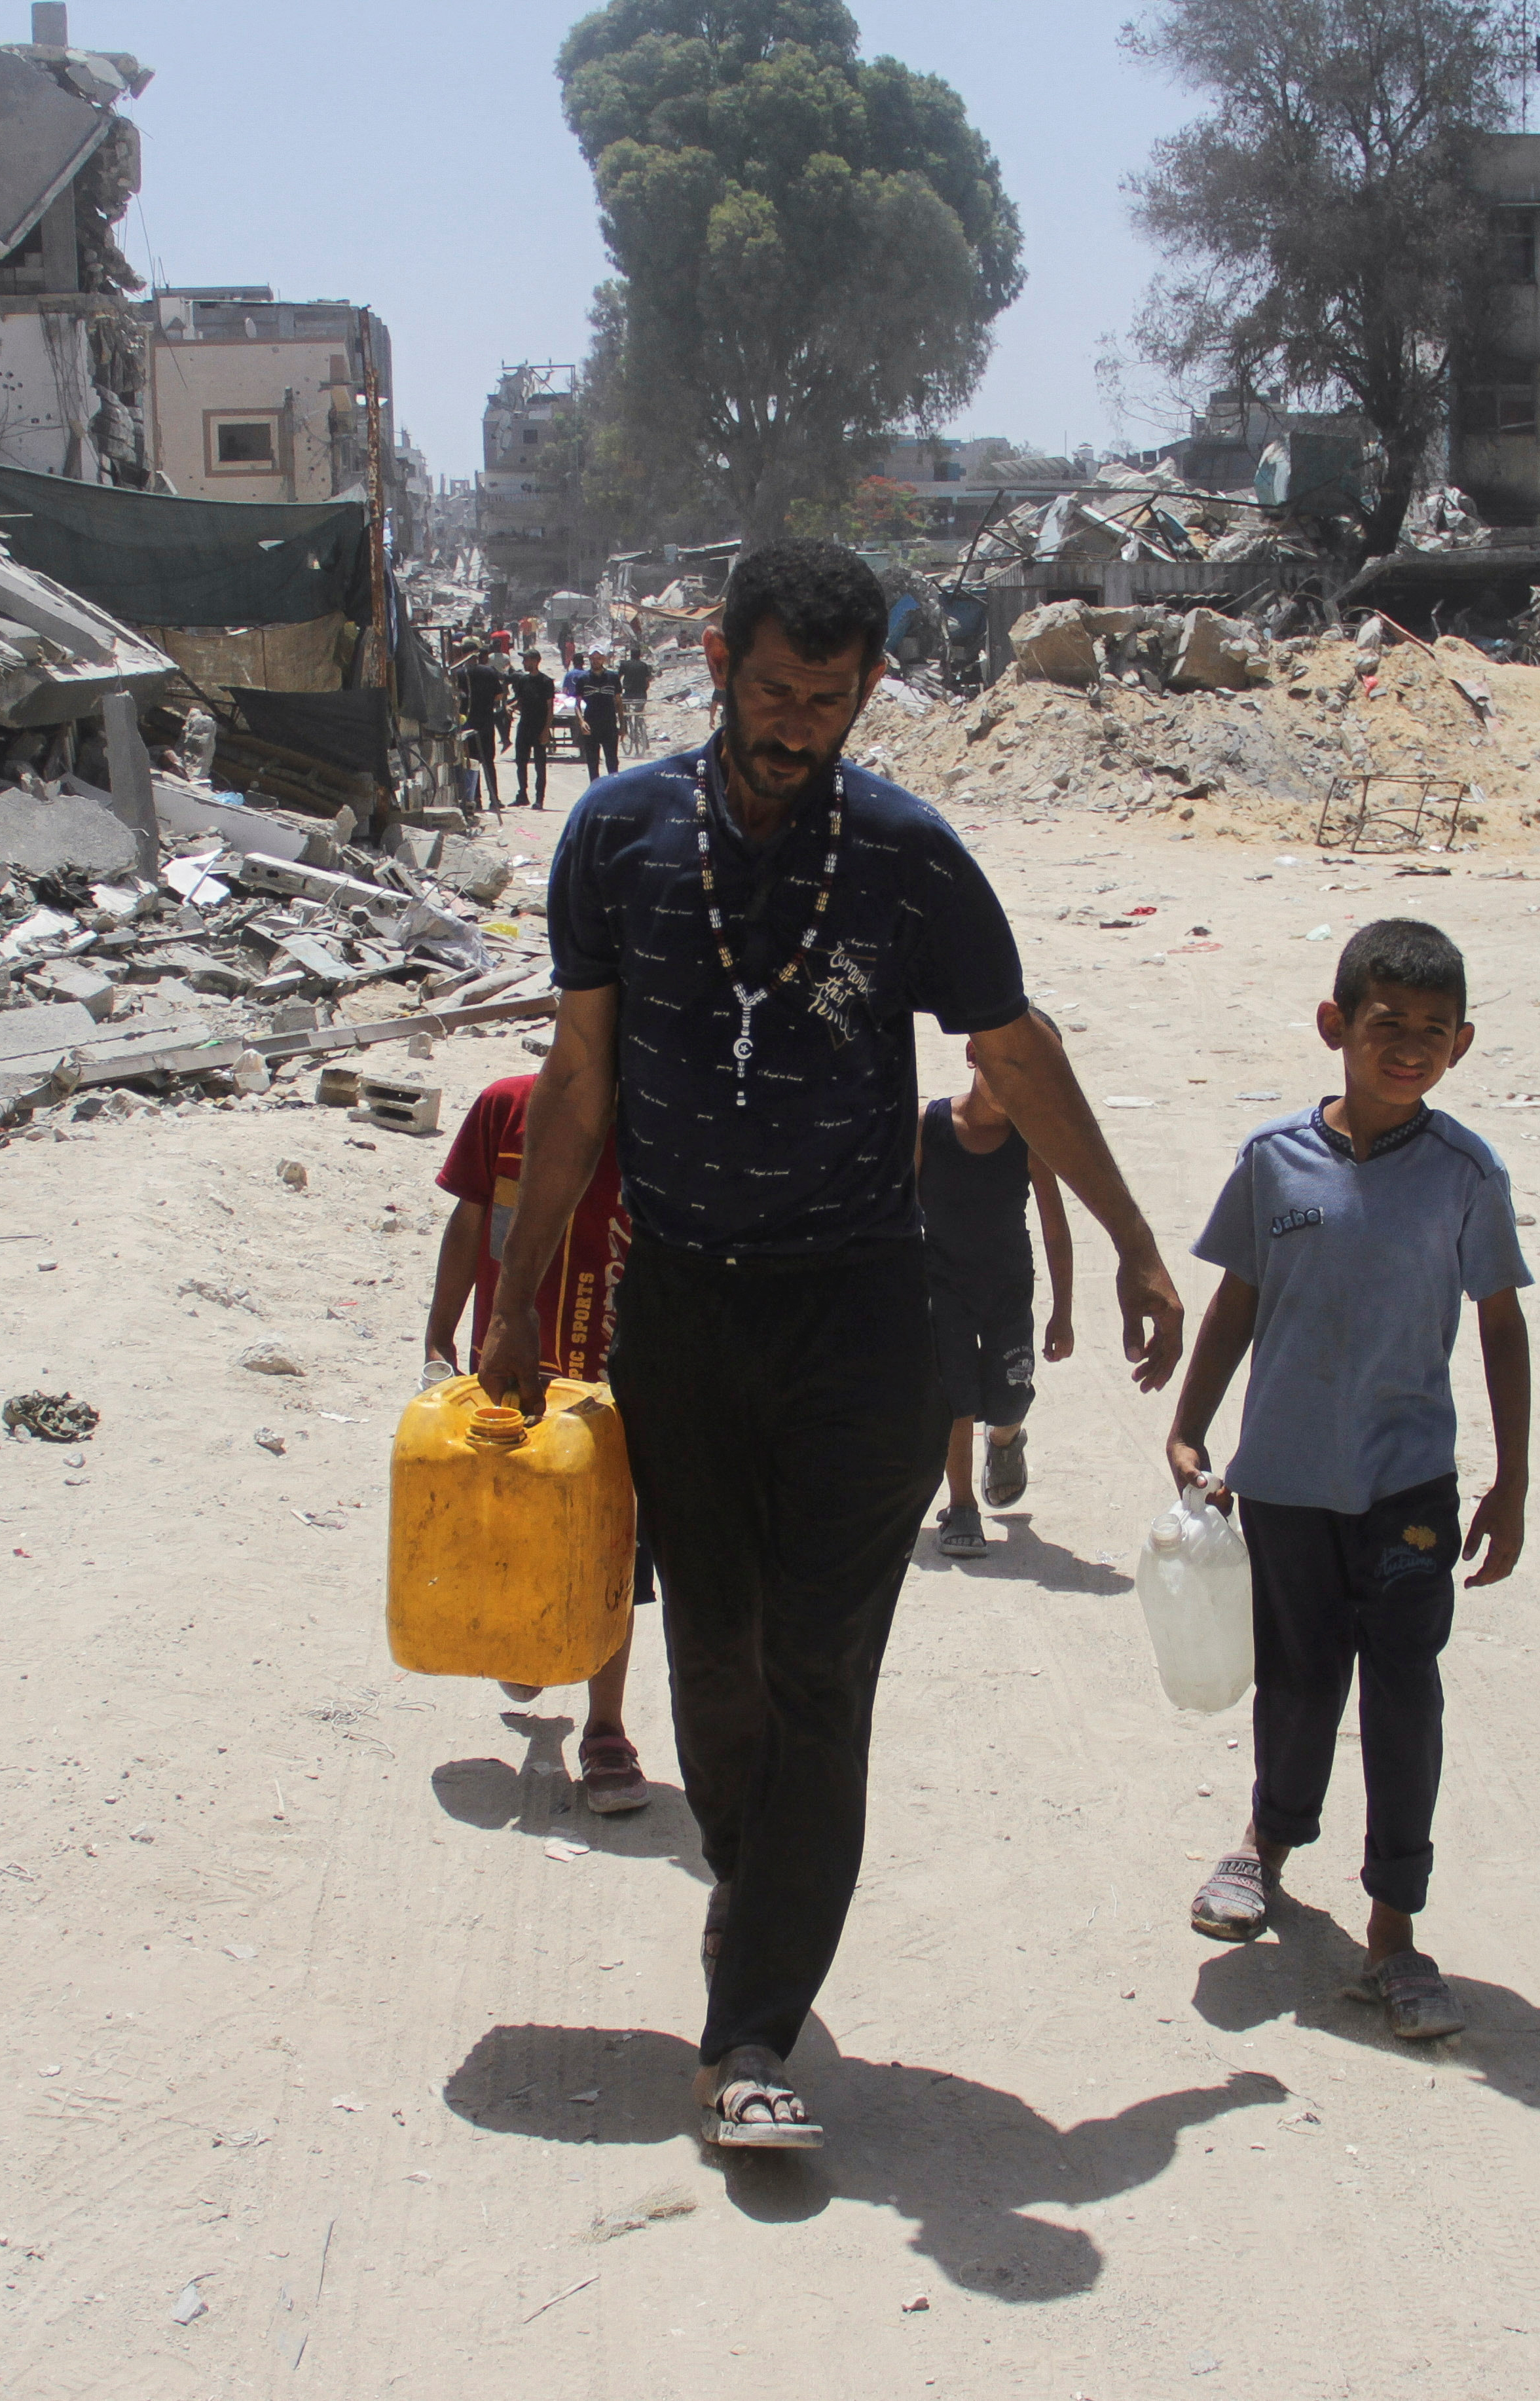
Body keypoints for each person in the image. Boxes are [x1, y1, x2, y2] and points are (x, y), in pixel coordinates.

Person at [477, 536, 1186, 2152]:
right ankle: (753, 1894)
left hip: (864, 1313)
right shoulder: (616, 834)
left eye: (829, 699)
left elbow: (1016, 1049)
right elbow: (578, 1077)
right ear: (717, 664)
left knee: (820, 1662)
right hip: (680, 1308)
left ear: (867, 690)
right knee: (713, 1653)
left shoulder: (911, 859)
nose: (795, 727)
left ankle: (749, 2031)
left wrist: (1134, 1239)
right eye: (773, 691)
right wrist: (517, 1300)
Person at [1165, 920, 1532, 2044]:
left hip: (1408, 1486)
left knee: (1404, 1691)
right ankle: (1267, 1843)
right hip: (1283, 1478)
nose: (1409, 1046)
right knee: (1299, 1676)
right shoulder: (1275, 1159)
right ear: (1336, 1025)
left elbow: (1501, 1323)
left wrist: (1513, 1480)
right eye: (1387, 1023)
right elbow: (1238, 1296)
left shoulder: (1467, 1174)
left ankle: (1394, 1926)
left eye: (1433, 1030)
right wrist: (1188, 1426)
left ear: (1462, 1043)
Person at [422, 1071, 651, 1813]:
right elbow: (470, 1219)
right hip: (508, 1383)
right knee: (511, 1535)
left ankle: (606, 1731)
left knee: (614, 1545)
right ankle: (526, 1648)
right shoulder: (505, 1108)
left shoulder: (663, 1126)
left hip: (615, 1390)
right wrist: (439, 1337)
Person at [916, 1038, 1073, 1560]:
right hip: (942, 1283)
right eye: (1004, 1067)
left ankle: (1005, 1442)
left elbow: (1055, 1227)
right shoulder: (928, 1126)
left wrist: (1063, 1312)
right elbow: (896, 1206)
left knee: (1010, 1394)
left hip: (1007, 1286)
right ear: (972, 1055)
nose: (1012, 1084)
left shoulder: (1029, 1140)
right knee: (955, 1393)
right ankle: (962, 1506)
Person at [453, 641, 505, 815]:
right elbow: (499, 695)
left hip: (467, 724)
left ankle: (475, 800)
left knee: (472, 763)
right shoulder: (489, 671)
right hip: (486, 722)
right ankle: (494, 799)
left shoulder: (459, 673)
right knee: (489, 762)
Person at [507, 648, 559, 808]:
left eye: (527, 660)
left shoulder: (546, 682)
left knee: (540, 765)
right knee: (521, 762)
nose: (524, 663)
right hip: (525, 726)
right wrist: (511, 707)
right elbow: (520, 700)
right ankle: (522, 795)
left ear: (536, 661)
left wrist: (546, 730)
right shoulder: (523, 681)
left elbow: (550, 708)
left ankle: (539, 799)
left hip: (539, 727)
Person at [580, 651, 627, 783]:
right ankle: (595, 789)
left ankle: (613, 790)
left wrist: (623, 724)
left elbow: (618, 702)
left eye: (599, 658)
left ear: (604, 659)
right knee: (592, 762)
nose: (596, 661)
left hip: (609, 724)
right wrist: (582, 721)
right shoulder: (583, 678)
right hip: (591, 724)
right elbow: (577, 704)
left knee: (612, 761)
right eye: (593, 658)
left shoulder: (612, 677)